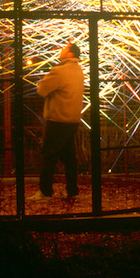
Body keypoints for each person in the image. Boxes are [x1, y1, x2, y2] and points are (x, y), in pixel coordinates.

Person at [27, 41, 84, 202]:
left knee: (48, 155)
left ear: (70, 54)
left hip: (57, 119)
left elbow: (41, 89)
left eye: (64, 49)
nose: (60, 51)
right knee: (69, 157)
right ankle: (73, 191)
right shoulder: (79, 71)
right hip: (72, 120)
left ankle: (45, 192)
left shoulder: (60, 71)